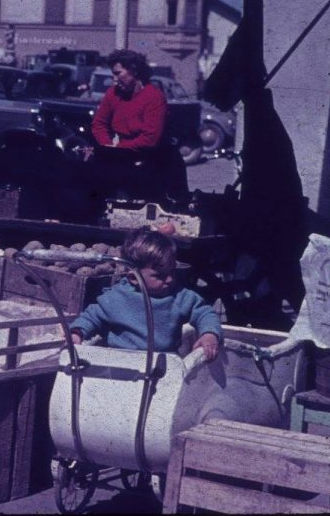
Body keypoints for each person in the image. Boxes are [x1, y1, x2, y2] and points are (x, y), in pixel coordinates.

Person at [68, 228, 222, 361]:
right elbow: (91, 316)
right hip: (120, 365)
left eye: (172, 272)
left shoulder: (179, 297)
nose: (169, 279)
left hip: (164, 366)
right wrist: (76, 333)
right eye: (159, 275)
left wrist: (209, 333)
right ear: (133, 278)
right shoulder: (116, 298)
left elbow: (205, 312)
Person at [85, 49, 170, 201]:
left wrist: (116, 150)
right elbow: (99, 123)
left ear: (134, 70)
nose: (114, 79)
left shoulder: (154, 97)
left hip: (148, 160)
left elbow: (150, 138)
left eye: (118, 73)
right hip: (118, 157)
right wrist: (108, 146)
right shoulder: (113, 93)